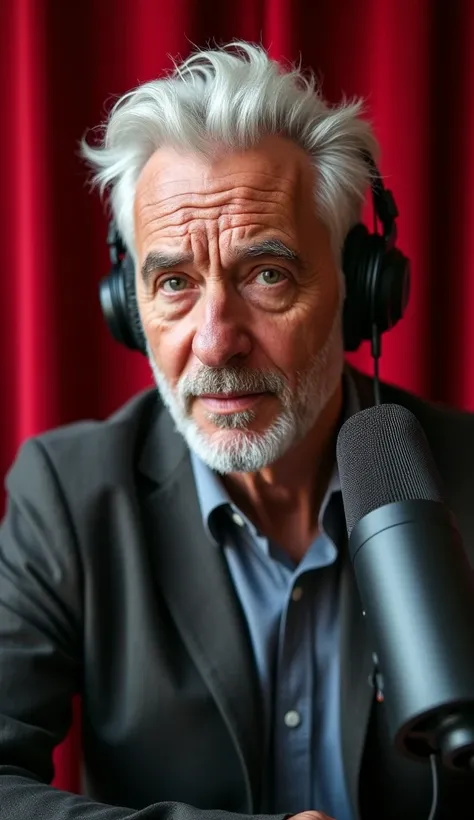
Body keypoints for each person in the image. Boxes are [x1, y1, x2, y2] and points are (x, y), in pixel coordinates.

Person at [0, 42, 472, 820]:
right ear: (130, 306)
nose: (216, 341)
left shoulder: (466, 474)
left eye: (267, 274)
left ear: (359, 290)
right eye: (175, 283)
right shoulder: (67, 495)